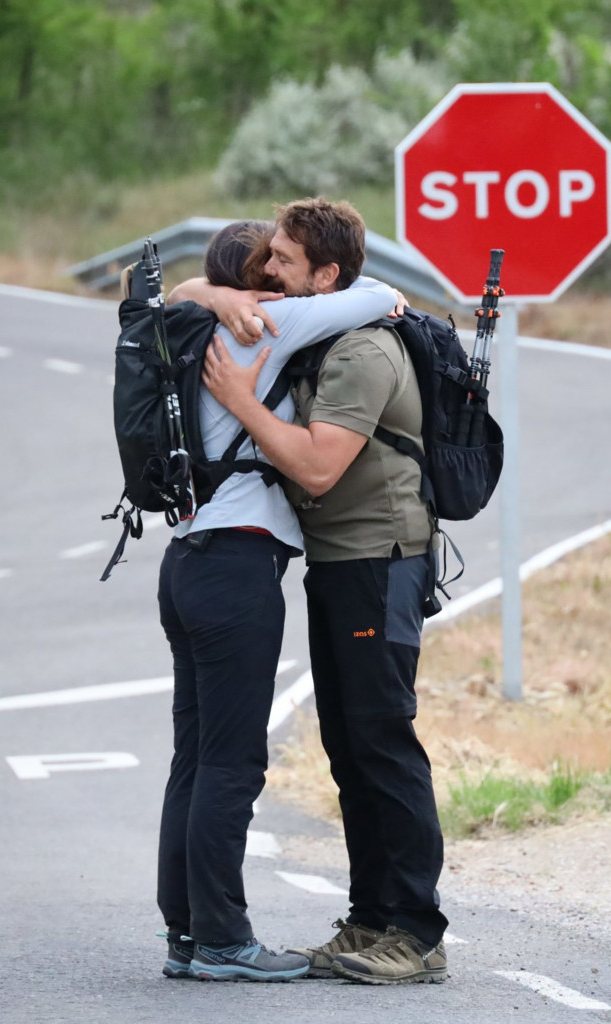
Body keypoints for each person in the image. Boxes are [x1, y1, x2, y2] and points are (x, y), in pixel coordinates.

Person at [201, 197, 449, 985]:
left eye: (280, 259)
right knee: (350, 746)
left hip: (379, 562)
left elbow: (315, 466)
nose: (265, 269)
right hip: (342, 564)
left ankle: (416, 931)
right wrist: (213, 294)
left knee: (383, 742)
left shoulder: (363, 353)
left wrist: (240, 401)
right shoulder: (329, 334)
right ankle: (371, 918)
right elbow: (182, 294)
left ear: (326, 275)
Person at [154, 218, 399, 982]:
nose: (276, 273)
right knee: (231, 763)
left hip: (185, 559)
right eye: (270, 262)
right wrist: (242, 295)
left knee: (193, 760)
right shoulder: (266, 321)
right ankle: (226, 940)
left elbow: (165, 296)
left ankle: (186, 936)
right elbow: (383, 293)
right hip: (237, 565)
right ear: (252, 280)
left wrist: (203, 288)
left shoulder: (180, 326)